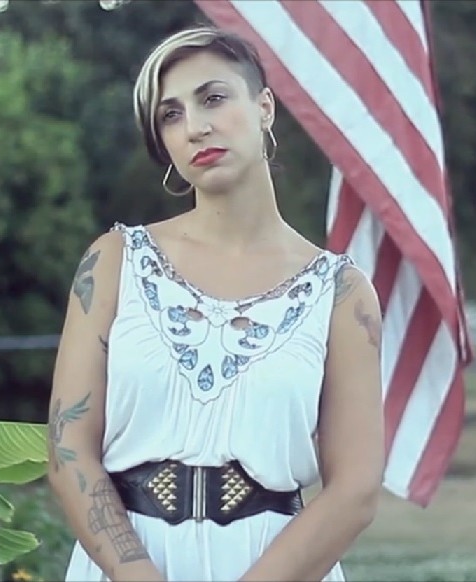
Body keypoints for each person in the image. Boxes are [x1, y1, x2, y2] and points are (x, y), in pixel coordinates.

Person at [46, 24, 385, 582]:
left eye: (213, 98)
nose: (196, 126)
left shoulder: (342, 293)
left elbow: (355, 491)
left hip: (276, 564)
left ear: (265, 108)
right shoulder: (113, 262)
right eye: (171, 114)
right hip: (127, 565)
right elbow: (68, 451)